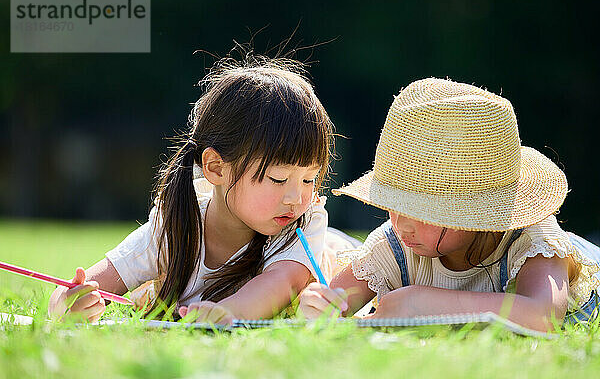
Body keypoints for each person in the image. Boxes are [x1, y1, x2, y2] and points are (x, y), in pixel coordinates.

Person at [48, 56, 359, 324]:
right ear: (216, 168)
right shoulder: (177, 223)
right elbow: (97, 279)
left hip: (343, 252)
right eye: (278, 179)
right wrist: (66, 301)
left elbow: (280, 283)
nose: (297, 198)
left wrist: (226, 312)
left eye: (309, 180)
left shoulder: (302, 223)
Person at [299, 78, 600, 332]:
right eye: (394, 204)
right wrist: (319, 306)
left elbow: (542, 316)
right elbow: (336, 301)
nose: (401, 224)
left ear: (477, 211)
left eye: (422, 210)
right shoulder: (394, 246)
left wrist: (424, 304)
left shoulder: (532, 241)